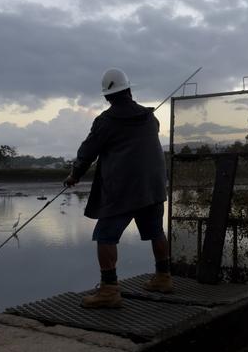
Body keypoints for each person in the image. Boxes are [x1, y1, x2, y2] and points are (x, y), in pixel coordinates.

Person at [64, 68, 173, 309]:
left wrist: (74, 176)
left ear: (107, 97)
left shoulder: (105, 122)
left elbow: (87, 153)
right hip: (152, 187)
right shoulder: (150, 118)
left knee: (105, 236)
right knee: (156, 232)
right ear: (129, 90)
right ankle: (163, 278)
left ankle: (109, 291)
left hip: (122, 190)